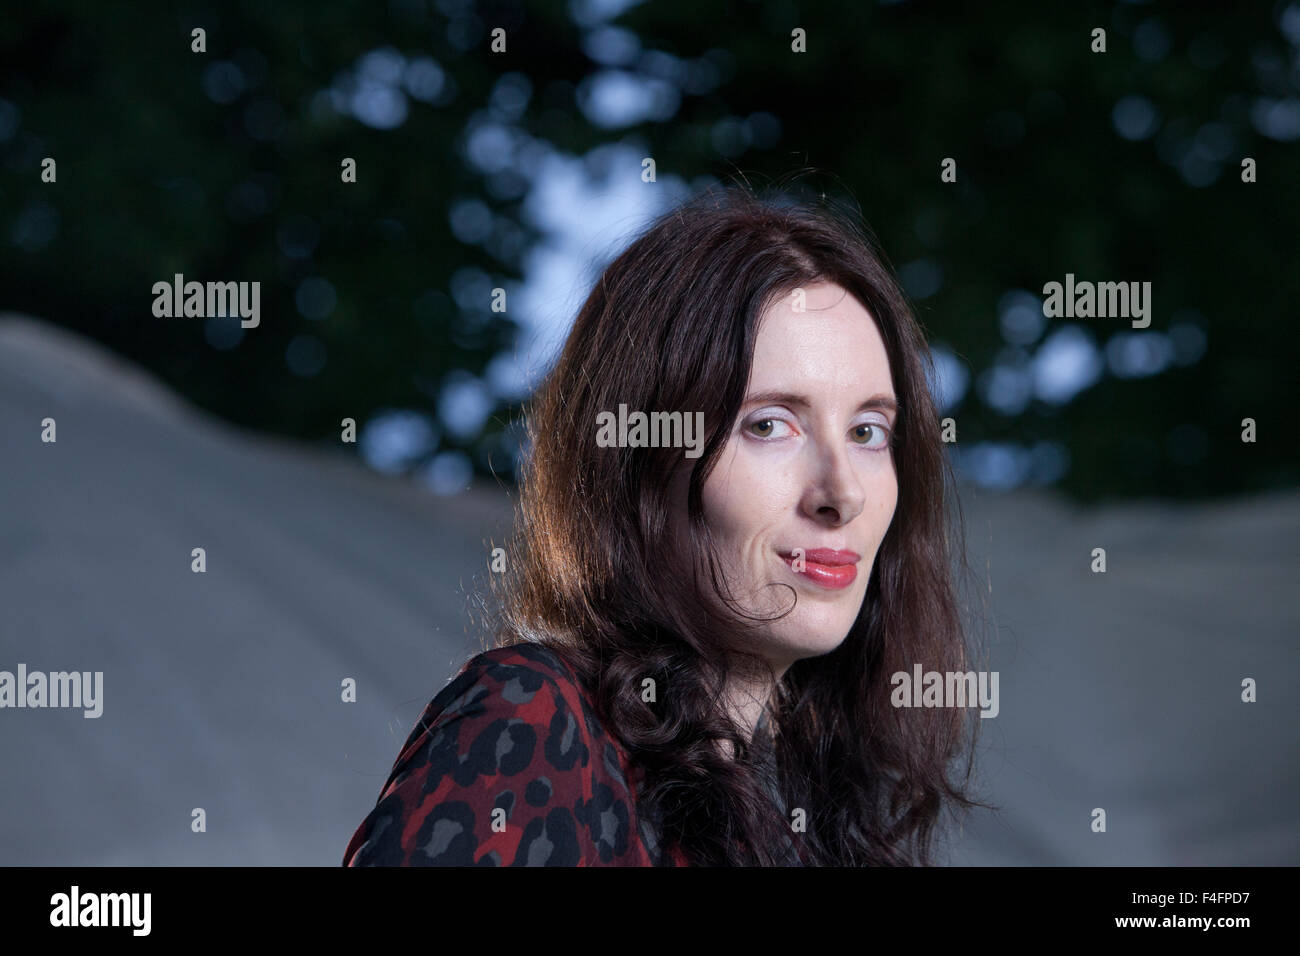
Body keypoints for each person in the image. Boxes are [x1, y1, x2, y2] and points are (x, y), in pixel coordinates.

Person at [344, 181, 986, 867]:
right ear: (636, 464)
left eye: (868, 430)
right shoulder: (532, 720)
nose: (842, 493)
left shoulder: (800, 836)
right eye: (769, 425)